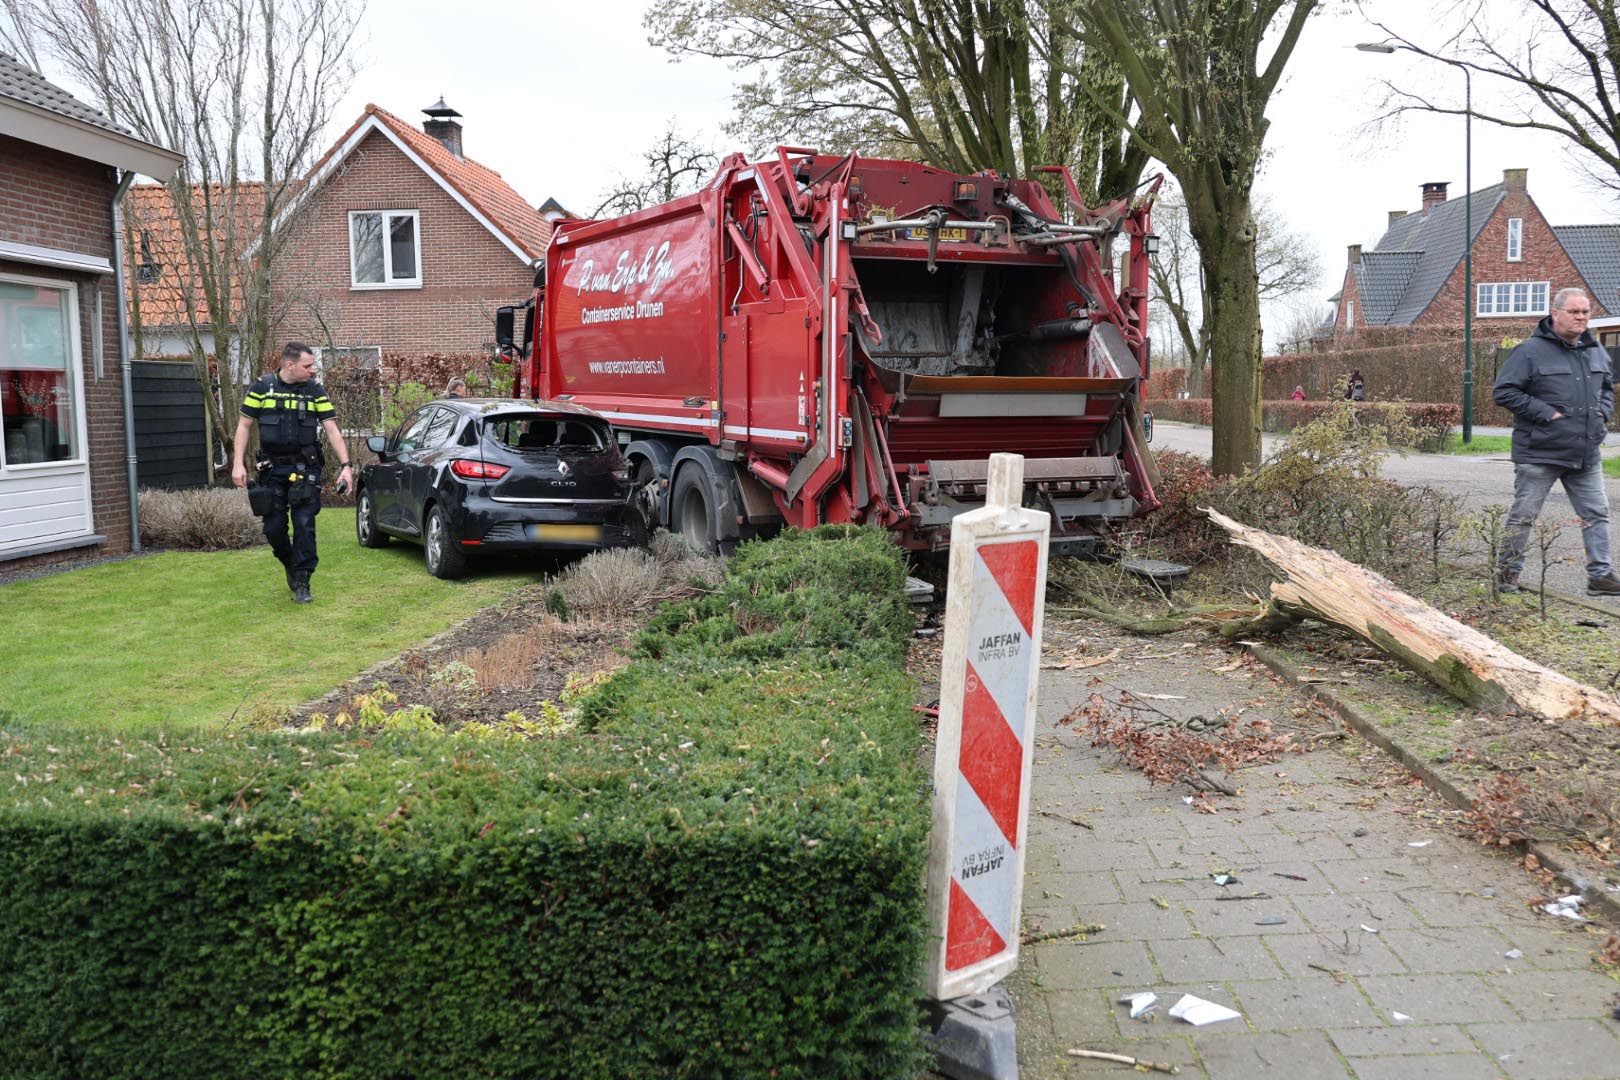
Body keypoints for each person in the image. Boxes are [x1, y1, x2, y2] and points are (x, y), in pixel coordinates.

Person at [1492, 287, 1619, 596]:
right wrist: (1548, 414)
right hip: (1540, 452)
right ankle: (1507, 575)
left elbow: (1606, 388)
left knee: (1597, 514)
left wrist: (1603, 412)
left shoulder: (1595, 350)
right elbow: (1504, 392)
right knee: (1523, 516)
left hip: (1585, 452)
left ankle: (1600, 576)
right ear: (1556, 313)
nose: (1581, 317)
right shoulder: (1529, 351)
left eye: (1585, 312)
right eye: (1574, 311)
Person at [232, 342, 352, 604]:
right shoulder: (262, 388)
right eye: (307, 366)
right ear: (289, 365)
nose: (312, 371)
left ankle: (302, 580)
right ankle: (289, 561)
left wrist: (347, 466)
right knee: (273, 528)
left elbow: (331, 428)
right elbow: (244, 425)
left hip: (305, 468)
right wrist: (237, 463)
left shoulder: (314, 391)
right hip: (272, 470)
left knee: (304, 526)